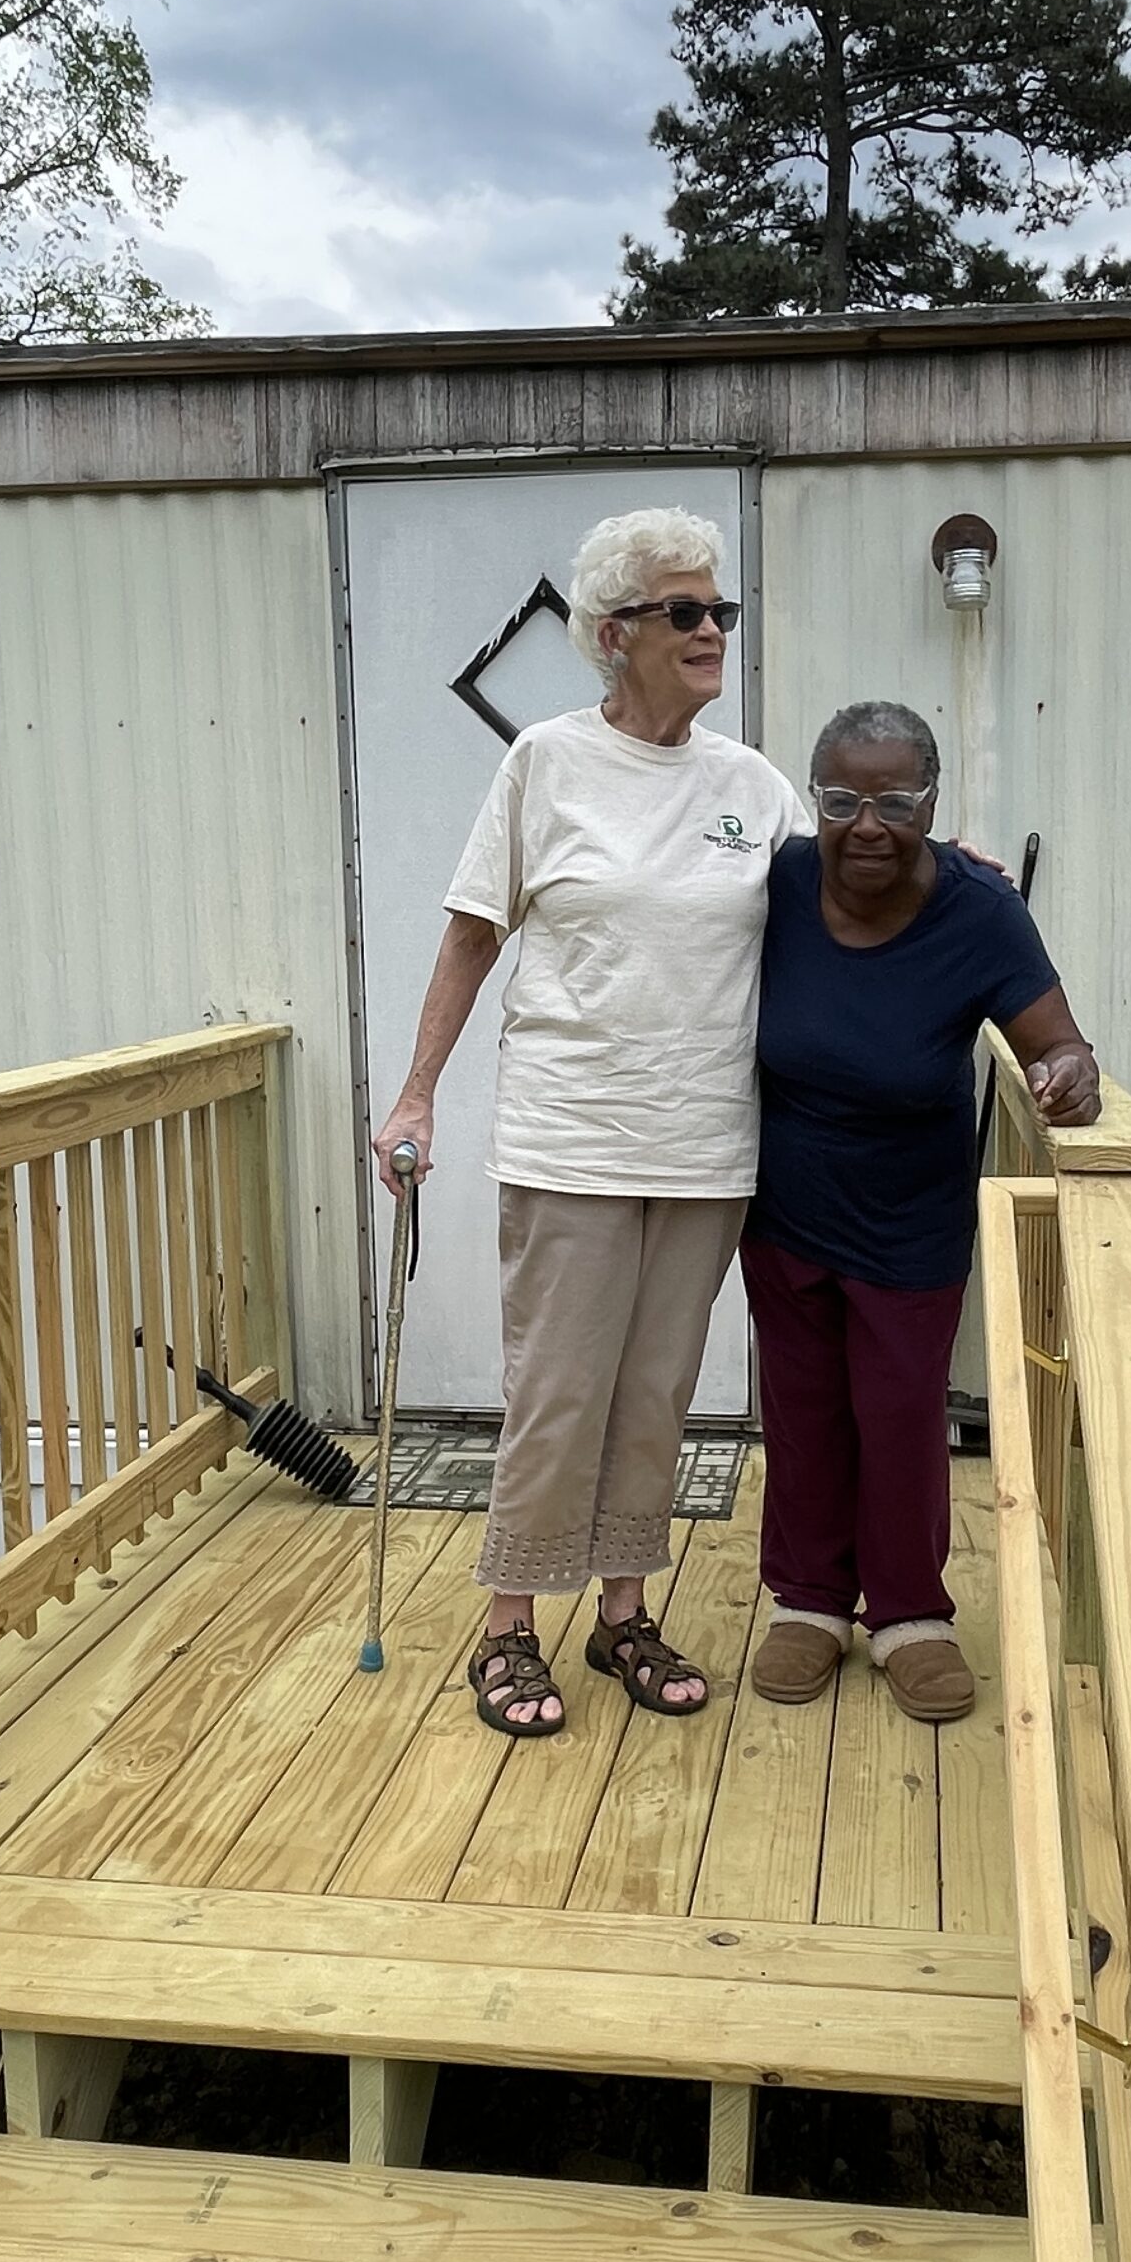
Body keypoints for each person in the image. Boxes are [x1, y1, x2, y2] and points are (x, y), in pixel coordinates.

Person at [371, 506, 810, 1737]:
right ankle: (507, 1627)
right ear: (614, 634)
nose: (713, 628)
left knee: (657, 1391)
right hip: (572, 1137)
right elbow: (471, 932)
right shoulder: (547, 763)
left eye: (720, 608)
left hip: (709, 1146)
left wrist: (952, 874)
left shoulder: (752, 784)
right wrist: (416, 1093)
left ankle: (623, 1611)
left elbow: (841, 903)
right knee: (560, 1390)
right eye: (687, 610)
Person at [742, 701, 1100, 1725]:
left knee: (898, 1415)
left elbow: (1059, 1043)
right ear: (814, 801)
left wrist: (1069, 1075)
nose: (867, 822)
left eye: (895, 801)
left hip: (910, 1216)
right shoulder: (777, 884)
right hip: (785, 1201)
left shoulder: (981, 912)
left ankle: (908, 1615)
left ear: (933, 804)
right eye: (843, 798)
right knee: (805, 1411)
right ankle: (809, 1602)